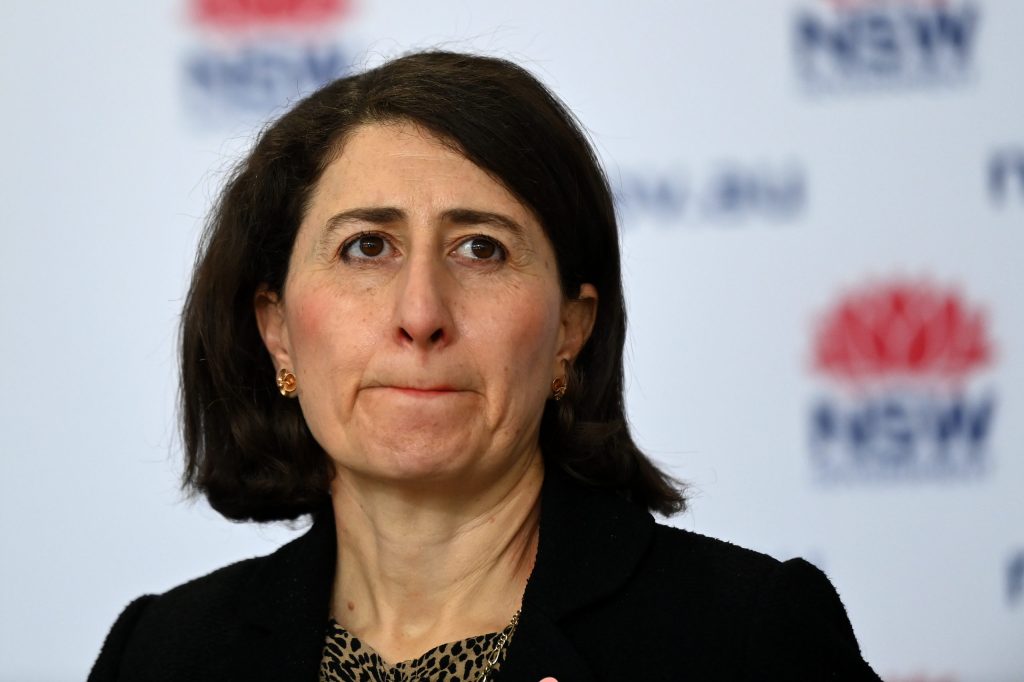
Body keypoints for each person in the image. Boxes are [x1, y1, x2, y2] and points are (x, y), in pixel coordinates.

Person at [88, 51, 881, 681]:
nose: (422, 314)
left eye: (482, 249)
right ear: (278, 332)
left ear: (572, 328)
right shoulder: (163, 653)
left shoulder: (748, 639)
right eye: (367, 247)